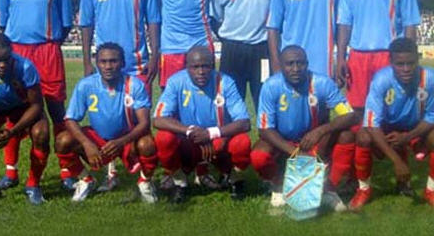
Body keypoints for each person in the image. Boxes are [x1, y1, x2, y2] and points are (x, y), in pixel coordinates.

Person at [79, 0, 160, 191]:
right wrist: (86, 61)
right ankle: (112, 171)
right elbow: (86, 23)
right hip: (105, 65)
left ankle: (144, 178)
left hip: (136, 63)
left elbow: (154, 21)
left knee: (138, 123)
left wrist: (155, 55)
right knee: (109, 118)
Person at [0, 0, 73, 190]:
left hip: (48, 51)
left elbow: (66, 23)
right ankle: (10, 172)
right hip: (17, 52)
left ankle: (66, 170)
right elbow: (3, 24)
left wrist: (48, 45)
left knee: (56, 111)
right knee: (15, 110)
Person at [250, 45, 357, 210]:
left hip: (314, 142)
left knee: (347, 136)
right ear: (280, 64)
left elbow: (349, 115)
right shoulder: (271, 86)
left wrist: (321, 130)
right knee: (259, 155)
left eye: (300, 63)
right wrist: (295, 152)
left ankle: (328, 188)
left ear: (307, 64)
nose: (295, 69)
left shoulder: (322, 83)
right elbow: (264, 129)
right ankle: (278, 186)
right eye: (290, 64)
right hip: (283, 142)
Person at [336, 0, 420, 132]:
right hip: (358, 55)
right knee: (356, 111)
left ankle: (391, 148)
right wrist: (340, 58)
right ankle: (360, 153)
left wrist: (407, 57)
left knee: (389, 108)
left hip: (388, 55)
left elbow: (410, 22)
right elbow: (344, 23)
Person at [58, 42, 158, 202]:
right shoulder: (86, 85)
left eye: (113, 61)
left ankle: (145, 182)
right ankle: (85, 180)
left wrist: (122, 141)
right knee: (63, 140)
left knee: (147, 144)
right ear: (96, 63)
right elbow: (70, 119)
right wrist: (87, 144)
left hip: (126, 139)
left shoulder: (135, 85)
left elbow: (144, 123)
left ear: (123, 63)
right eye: (103, 62)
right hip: (99, 139)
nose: (108, 66)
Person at [153, 46, 251, 203]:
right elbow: (158, 119)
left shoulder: (225, 82)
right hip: (189, 140)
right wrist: (189, 130)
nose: (201, 71)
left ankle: (234, 179)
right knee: (164, 138)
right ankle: (180, 182)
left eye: (206, 66)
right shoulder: (176, 81)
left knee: (242, 142)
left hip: (219, 141)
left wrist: (211, 133)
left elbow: (244, 122)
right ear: (187, 67)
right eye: (195, 67)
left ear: (213, 65)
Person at [350, 38, 434, 210]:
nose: (406, 69)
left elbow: (432, 116)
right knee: (363, 137)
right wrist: (396, 161)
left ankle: (431, 190)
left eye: (410, 63)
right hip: (386, 129)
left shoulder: (429, 79)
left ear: (418, 59)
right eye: (399, 64)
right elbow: (372, 124)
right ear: (390, 62)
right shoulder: (381, 79)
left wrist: (407, 137)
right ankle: (364, 189)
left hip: (414, 129)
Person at [0, 33, 49, 205]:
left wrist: (12, 132)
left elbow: (36, 105)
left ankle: (33, 185)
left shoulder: (25, 67)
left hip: (23, 108)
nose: (2, 65)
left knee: (41, 133)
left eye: (6, 59)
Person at [212, 0, 279, 111]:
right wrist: (230, 38)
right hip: (232, 52)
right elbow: (216, 17)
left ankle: (267, 138)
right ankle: (231, 139)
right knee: (230, 103)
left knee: (265, 99)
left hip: (263, 51)